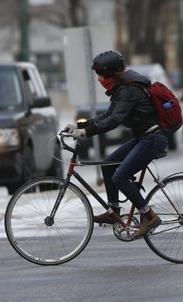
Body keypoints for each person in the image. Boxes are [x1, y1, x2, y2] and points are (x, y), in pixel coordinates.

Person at [66, 50, 168, 239]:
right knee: (108, 165)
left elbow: (114, 120)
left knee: (120, 177)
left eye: (100, 75)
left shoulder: (128, 90)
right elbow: (108, 115)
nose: (98, 79)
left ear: (110, 73)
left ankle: (149, 216)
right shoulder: (122, 88)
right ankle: (114, 211)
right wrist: (81, 125)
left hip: (152, 139)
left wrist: (86, 132)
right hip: (144, 137)